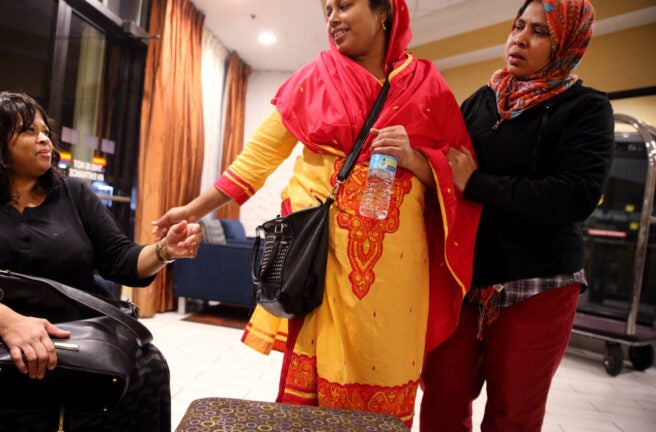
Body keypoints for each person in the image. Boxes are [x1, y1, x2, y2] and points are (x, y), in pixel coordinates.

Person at [153, 0, 481, 426]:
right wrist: (192, 209)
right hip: (320, 261)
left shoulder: (429, 86)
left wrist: (415, 159)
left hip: (396, 275)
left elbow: (461, 175)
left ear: (384, 12)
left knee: (383, 374)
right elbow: (254, 162)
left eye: (344, 5)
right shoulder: (314, 78)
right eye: (327, 10)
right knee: (313, 396)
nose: (333, 19)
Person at [0, 91, 203, 432]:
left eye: (45, 130)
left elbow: (122, 260)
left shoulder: (73, 193)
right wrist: (9, 323)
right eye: (28, 131)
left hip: (78, 331)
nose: (45, 138)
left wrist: (164, 249)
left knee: (150, 365)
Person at [420, 1, 614, 431]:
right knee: (441, 401)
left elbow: (575, 196)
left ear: (567, 43)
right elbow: (446, 167)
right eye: (518, 26)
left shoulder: (585, 108)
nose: (520, 39)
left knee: (513, 415)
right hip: (464, 279)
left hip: (538, 285)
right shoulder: (481, 101)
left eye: (540, 32)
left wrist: (477, 183)